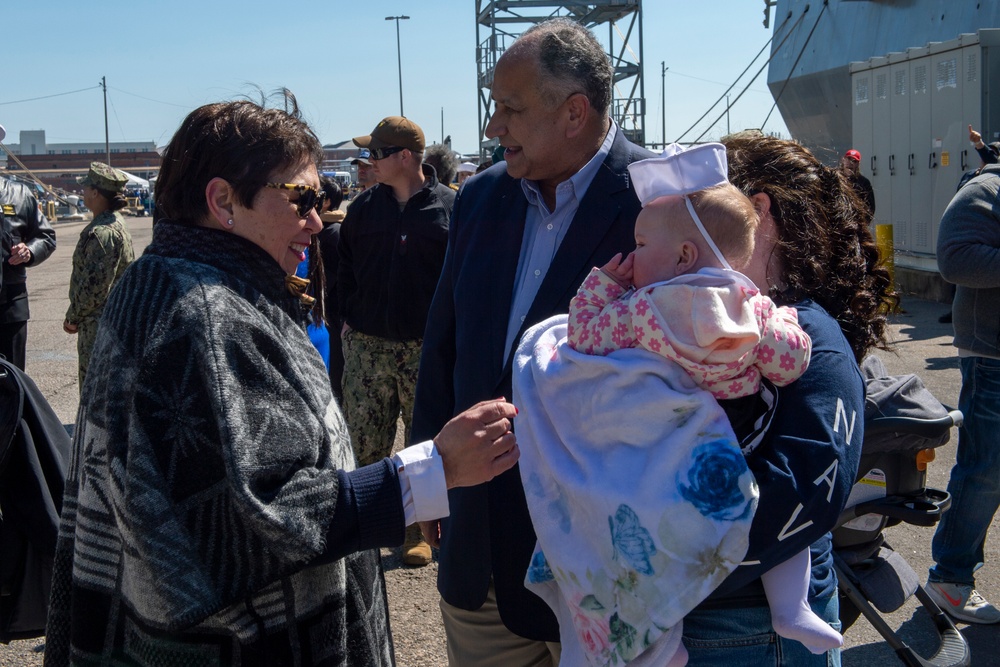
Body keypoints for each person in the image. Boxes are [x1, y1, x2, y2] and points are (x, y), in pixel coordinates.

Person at [43, 93, 521, 667]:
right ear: (222, 200)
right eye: (302, 199)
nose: (318, 221)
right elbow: (263, 517)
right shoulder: (206, 314)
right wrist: (432, 469)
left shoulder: (162, 280)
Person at [514, 143, 841, 667]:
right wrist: (778, 326)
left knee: (646, 550)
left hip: (666, 444)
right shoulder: (752, 305)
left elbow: (587, 335)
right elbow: (790, 363)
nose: (633, 252)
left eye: (641, 243)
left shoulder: (645, 310)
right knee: (774, 526)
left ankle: (659, 644)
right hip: (743, 432)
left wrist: (601, 285)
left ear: (685, 256)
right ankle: (793, 605)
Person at [410, 17, 655, 666]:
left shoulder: (663, 204)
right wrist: (427, 471)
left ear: (574, 112)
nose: (494, 127)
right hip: (481, 558)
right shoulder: (481, 198)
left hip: (597, 564)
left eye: (510, 109)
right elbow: (445, 346)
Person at [660, 131, 896, 666]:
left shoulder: (805, 335)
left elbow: (801, 494)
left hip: (744, 630)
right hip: (710, 620)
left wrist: (653, 557)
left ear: (756, 209)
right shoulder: (700, 322)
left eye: (693, 205)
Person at [339, 115, 455, 567]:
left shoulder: (450, 209)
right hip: (368, 345)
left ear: (404, 157)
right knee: (364, 440)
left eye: (376, 154)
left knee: (421, 444)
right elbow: (344, 264)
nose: (369, 162)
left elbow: (463, 278)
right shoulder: (365, 209)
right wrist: (347, 317)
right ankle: (366, 528)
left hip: (423, 347)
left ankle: (415, 532)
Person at [924, 160, 1000, 625]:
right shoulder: (988, 187)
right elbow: (955, 257)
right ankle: (949, 581)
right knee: (984, 471)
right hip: (993, 357)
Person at [62, 162, 135, 390]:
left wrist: (73, 317)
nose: (82, 191)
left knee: (95, 390)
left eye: (86, 187)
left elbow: (94, 287)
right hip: (110, 322)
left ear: (95, 192)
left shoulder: (103, 232)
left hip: (99, 325)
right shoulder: (114, 223)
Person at [0, 175, 56, 370]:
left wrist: (29, 251)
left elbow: (46, 237)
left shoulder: (19, 194)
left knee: (11, 378)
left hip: (10, 303)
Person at [318, 176, 347, 399]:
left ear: (326, 201)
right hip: (322, 316)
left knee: (332, 377)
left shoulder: (333, 234)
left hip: (331, 318)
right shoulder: (320, 230)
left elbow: (331, 280)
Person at [839, 149, 875, 221]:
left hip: (855, 224)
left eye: (854, 161)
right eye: (848, 159)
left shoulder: (863, 182)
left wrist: (862, 224)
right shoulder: (835, 178)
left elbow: (870, 208)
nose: (850, 163)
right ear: (843, 160)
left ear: (858, 164)